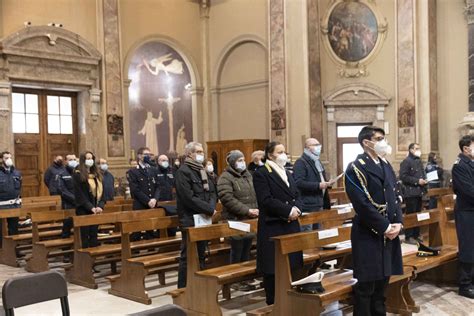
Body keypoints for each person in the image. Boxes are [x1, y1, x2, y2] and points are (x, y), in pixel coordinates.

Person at [344, 126, 403, 315]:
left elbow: (395, 196)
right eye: (379, 138)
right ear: (366, 143)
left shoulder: (385, 164)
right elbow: (361, 204)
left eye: (383, 138)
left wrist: (398, 223)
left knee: (382, 284)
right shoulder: (356, 167)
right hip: (368, 232)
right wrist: (385, 226)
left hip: (388, 233)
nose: (383, 142)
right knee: (366, 286)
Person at [253, 141, 303, 305]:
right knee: (273, 267)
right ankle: (274, 304)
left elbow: (297, 194)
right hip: (273, 225)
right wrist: (288, 211)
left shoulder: (287, 172)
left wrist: (298, 209)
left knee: (292, 264)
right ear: (270, 155)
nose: (284, 155)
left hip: (291, 224)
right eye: (280, 152)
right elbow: (266, 200)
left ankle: (290, 301)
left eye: (284, 151)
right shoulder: (262, 173)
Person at [175, 142, 217, 288]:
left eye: (202, 152)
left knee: (201, 252)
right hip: (190, 219)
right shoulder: (183, 171)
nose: (201, 154)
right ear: (189, 154)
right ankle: (183, 288)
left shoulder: (202, 170)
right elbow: (188, 197)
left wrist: (211, 207)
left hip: (204, 217)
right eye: (198, 152)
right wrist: (209, 209)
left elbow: (212, 191)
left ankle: (198, 284)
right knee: (188, 255)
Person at [217, 150, 259, 291]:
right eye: (239, 160)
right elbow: (227, 198)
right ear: (232, 163)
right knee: (237, 250)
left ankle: (245, 277)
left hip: (250, 219)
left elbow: (255, 193)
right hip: (235, 218)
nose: (242, 162)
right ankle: (234, 279)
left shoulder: (248, 175)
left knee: (247, 249)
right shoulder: (225, 178)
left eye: (242, 159)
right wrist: (246, 210)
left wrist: (256, 209)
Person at [451, 135, 474, 299]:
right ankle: (465, 285)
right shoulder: (459, 166)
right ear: (466, 148)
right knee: (468, 247)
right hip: (466, 212)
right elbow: (468, 190)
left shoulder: (471, 163)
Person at [293, 138, 331, 231]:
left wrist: (327, 183)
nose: (319, 147)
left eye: (319, 144)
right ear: (307, 148)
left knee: (319, 233)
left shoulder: (317, 161)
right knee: (308, 234)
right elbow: (299, 183)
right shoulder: (301, 162)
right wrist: (319, 185)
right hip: (307, 204)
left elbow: (320, 178)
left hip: (319, 202)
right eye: (315, 145)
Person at [73, 151, 105, 248]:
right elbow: (79, 195)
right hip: (83, 209)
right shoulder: (77, 175)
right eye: (88, 158)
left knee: (94, 235)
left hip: (95, 209)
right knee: (85, 236)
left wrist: (100, 206)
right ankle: (85, 259)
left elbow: (103, 192)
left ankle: (94, 258)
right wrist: (90, 207)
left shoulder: (96, 175)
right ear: (83, 160)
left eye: (91, 158)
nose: (90, 160)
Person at [127, 147, 160, 240]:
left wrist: (155, 199)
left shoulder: (153, 170)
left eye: (149, 155)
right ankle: (135, 250)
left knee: (150, 230)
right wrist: (147, 200)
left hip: (152, 204)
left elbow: (158, 186)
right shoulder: (133, 171)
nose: (148, 156)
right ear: (139, 156)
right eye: (146, 154)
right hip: (140, 204)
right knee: (137, 230)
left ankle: (151, 250)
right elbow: (135, 190)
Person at [399, 143, 427, 244]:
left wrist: (424, 179)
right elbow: (403, 176)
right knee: (411, 215)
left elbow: (422, 173)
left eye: (419, 148)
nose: (419, 150)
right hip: (410, 192)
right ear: (411, 150)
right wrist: (417, 181)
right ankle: (409, 236)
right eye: (417, 148)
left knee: (418, 214)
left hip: (419, 192)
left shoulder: (418, 161)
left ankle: (416, 234)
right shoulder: (406, 161)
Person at [0, 151, 22, 237]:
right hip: (1, 205)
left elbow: (20, 186)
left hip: (14, 205)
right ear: (1, 160)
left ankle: (14, 248)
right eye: (6, 158)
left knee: (14, 229)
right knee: (1, 230)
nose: (9, 160)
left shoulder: (16, 173)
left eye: (10, 157)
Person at [57, 154, 78, 239]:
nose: (73, 161)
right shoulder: (62, 174)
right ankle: (65, 247)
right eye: (70, 160)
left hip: (80, 204)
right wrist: (74, 199)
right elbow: (62, 190)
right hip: (68, 204)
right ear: (66, 161)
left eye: (74, 159)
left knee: (79, 226)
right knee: (67, 226)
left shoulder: (79, 173)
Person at [156, 154, 177, 236]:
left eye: (166, 161)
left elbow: (175, 184)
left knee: (172, 223)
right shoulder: (155, 171)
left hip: (171, 200)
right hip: (160, 201)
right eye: (163, 160)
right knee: (161, 223)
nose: (165, 162)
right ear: (158, 162)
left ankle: (172, 235)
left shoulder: (172, 171)